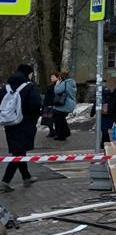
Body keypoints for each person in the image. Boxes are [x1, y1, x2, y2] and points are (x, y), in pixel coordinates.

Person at [1, 64, 43, 192]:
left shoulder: (6, 87)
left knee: (19, 150)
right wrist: (34, 116)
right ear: (28, 73)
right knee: (18, 152)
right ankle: (5, 182)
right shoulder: (29, 86)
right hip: (25, 123)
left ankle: (26, 177)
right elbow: (36, 104)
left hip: (10, 122)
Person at [49, 71, 76, 141]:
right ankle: (63, 134)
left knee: (59, 119)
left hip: (64, 104)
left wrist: (57, 85)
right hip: (70, 103)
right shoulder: (72, 83)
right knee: (61, 119)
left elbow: (57, 91)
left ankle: (62, 135)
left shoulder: (65, 83)